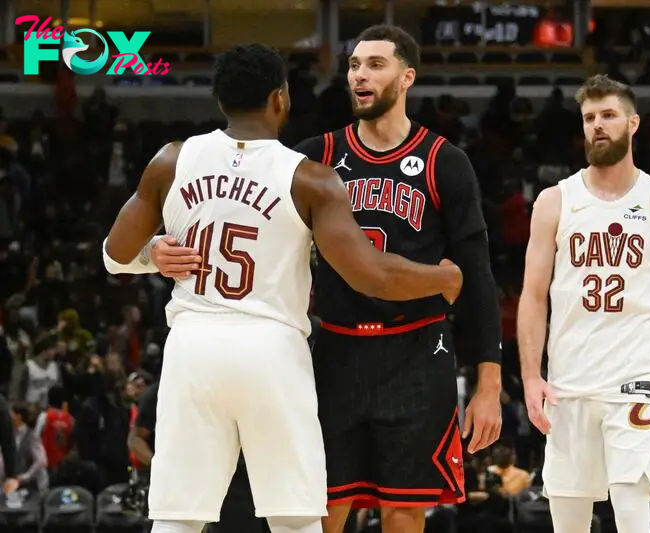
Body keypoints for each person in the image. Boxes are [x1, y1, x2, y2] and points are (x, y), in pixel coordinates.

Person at [148, 25, 502, 533]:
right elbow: (234, 210)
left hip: (417, 352)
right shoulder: (310, 158)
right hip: (335, 350)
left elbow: (479, 275)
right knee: (321, 504)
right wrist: (158, 246)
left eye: (375, 65)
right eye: (355, 65)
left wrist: (488, 380)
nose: (360, 74)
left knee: (404, 510)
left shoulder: (445, 161)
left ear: (407, 77)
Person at [516, 74, 650, 533]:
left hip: (635, 380)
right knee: (568, 523)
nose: (597, 126)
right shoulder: (554, 201)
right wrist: (529, 376)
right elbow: (532, 295)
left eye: (608, 115)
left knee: (631, 515)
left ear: (633, 123)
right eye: (589, 118)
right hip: (568, 381)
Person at [130, 381, 269, 533]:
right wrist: (159, 465)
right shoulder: (163, 389)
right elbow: (135, 439)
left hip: (246, 478)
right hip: (192, 481)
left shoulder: (237, 385)